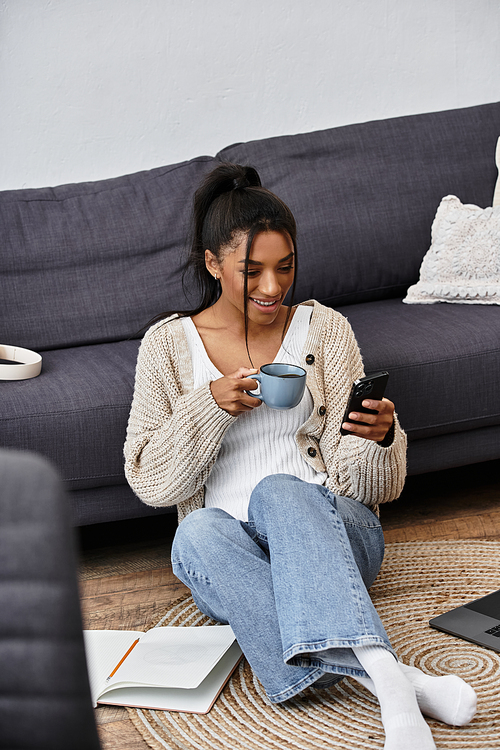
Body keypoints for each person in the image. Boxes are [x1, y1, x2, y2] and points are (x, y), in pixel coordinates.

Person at [124, 163, 477, 750]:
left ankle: (374, 672)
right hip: (232, 561)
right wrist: (208, 406)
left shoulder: (325, 331)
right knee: (194, 536)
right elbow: (148, 480)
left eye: (284, 267)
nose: (271, 287)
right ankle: (394, 679)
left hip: (333, 537)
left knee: (280, 491)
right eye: (251, 270)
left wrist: (377, 439)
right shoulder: (166, 346)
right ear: (213, 264)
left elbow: (373, 490)